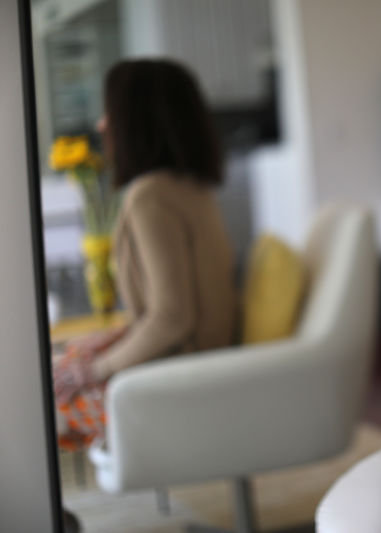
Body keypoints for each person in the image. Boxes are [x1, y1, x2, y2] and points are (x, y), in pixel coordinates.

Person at [53, 59, 237, 447]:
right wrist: (112, 339)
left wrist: (98, 369)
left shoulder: (149, 196)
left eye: (110, 113)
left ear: (135, 120)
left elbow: (173, 316)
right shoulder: (193, 187)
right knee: (69, 359)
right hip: (209, 356)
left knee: (51, 386)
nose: (102, 126)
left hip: (185, 369)